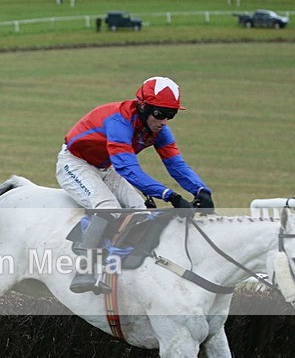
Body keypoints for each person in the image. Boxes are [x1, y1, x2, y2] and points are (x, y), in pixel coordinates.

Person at [56, 76, 214, 294]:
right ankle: (84, 271)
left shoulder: (158, 130)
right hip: (75, 162)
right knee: (108, 207)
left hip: (106, 167)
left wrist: (201, 190)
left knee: (141, 213)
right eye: (159, 113)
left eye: (171, 115)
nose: (164, 121)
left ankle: (129, 270)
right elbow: (128, 169)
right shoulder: (118, 122)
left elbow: (175, 164)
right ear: (142, 106)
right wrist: (170, 195)